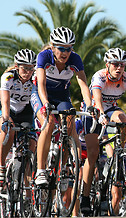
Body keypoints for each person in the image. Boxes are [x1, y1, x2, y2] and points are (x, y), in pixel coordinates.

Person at [80, 47, 126, 216]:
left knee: (122, 118)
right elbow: (97, 98)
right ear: (107, 64)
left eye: (122, 65)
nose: (119, 68)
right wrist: (101, 114)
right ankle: (85, 197)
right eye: (116, 64)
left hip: (111, 109)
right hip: (94, 111)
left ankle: (118, 154)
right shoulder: (99, 76)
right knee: (93, 154)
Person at [30, 26, 95, 187]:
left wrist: (90, 106)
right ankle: (40, 171)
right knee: (49, 122)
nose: (65, 53)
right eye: (61, 49)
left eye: (69, 49)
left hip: (61, 96)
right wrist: (45, 103)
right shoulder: (44, 57)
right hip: (41, 93)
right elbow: (41, 85)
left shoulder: (75, 59)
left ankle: (67, 166)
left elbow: (83, 85)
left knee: (70, 122)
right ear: (53, 46)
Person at [0, 49, 37, 190]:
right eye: (25, 68)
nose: (28, 72)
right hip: (8, 110)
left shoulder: (34, 80)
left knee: (31, 145)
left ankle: (27, 193)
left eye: (31, 69)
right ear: (17, 66)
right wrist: (6, 119)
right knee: (9, 132)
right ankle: (1, 165)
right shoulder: (8, 77)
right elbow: (5, 102)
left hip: (26, 112)